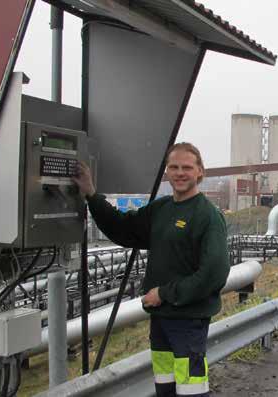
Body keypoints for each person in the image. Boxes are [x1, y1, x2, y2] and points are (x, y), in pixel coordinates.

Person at [73, 142, 230, 397]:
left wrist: (165, 294)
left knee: (191, 389)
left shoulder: (207, 216)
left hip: (188, 322)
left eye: (187, 168)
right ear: (167, 172)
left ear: (200, 172)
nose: (180, 173)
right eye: (174, 167)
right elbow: (123, 228)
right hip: (161, 318)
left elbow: (214, 274)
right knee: (165, 387)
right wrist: (91, 194)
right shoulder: (162, 209)